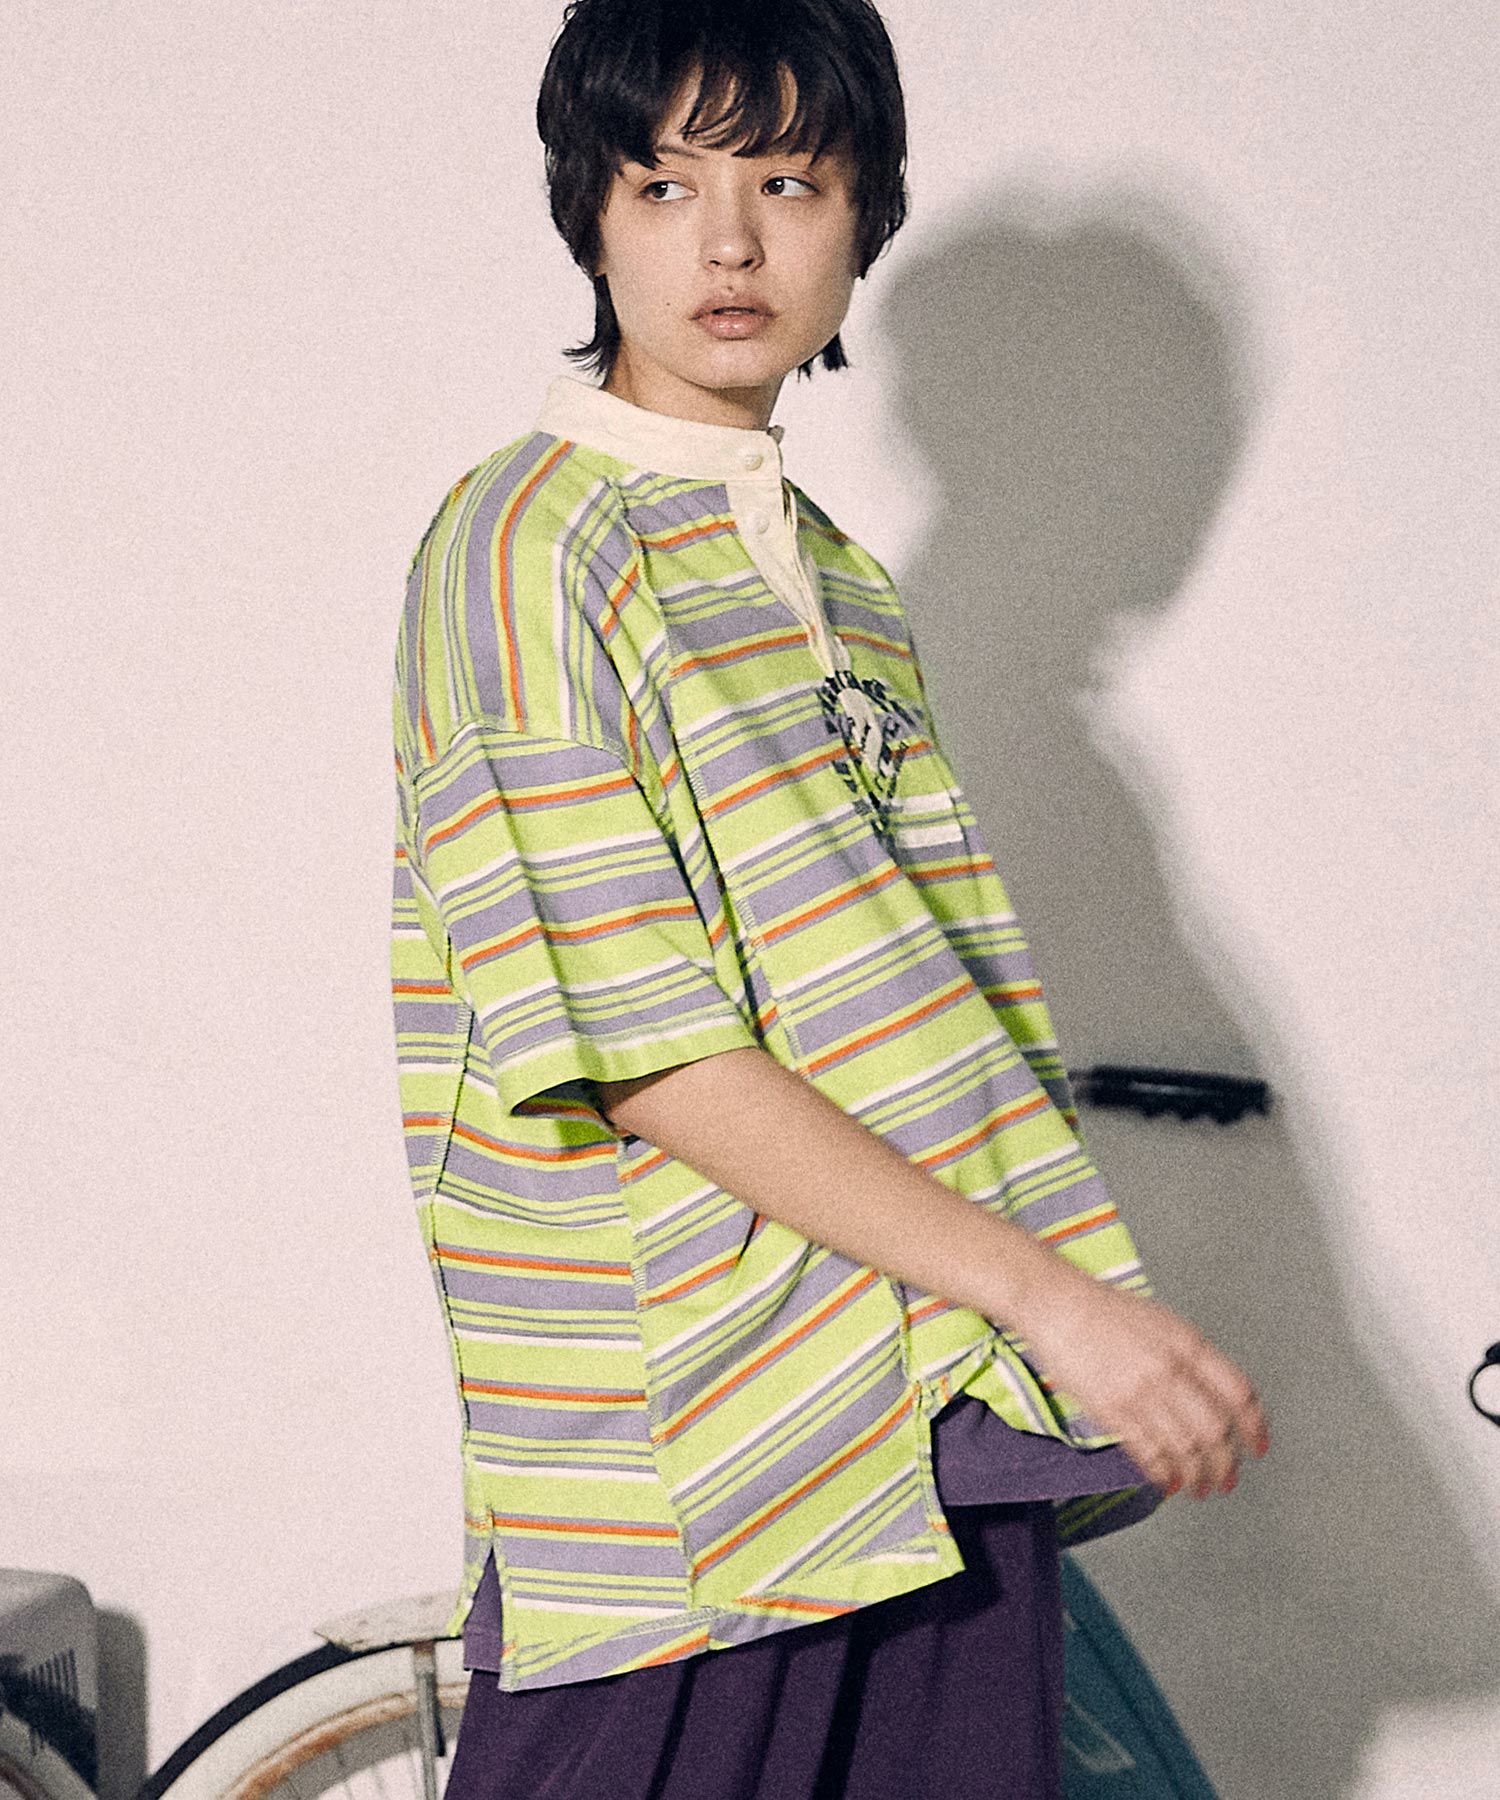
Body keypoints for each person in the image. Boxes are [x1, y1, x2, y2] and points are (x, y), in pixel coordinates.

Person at [389, 1, 1270, 1793]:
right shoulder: (527, 550)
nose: (729, 243)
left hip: (929, 1417)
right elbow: (644, 1051)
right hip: (696, 1467)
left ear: (865, 216)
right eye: (665, 184)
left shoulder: (843, 582)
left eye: (788, 181)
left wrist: (1028, 1309)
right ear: (590, 213)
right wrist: (1053, 1297)